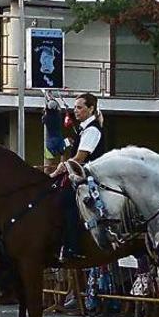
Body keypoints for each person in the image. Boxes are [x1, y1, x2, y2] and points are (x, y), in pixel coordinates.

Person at [49, 93, 106, 261]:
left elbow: (80, 158)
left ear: (91, 109)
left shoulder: (92, 130)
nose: (76, 111)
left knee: (66, 200)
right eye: (75, 107)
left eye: (80, 107)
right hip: (80, 176)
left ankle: (73, 246)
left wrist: (62, 167)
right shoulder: (84, 130)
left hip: (89, 179)